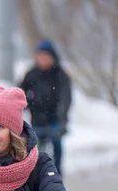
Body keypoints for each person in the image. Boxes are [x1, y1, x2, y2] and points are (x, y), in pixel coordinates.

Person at [19, 40, 72, 176]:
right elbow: (20, 93)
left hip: (55, 119)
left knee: (57, 147)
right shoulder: (32, 74)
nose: (42, 59)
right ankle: (38, 178)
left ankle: (57, 177)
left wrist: (62, 118)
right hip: (37, 119)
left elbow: (65, 98)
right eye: (39, 55)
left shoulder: (60, 75)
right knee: (35, 152)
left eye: (45, 55)